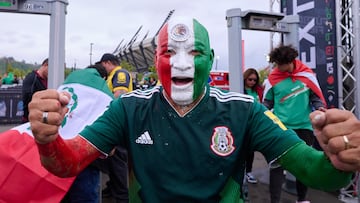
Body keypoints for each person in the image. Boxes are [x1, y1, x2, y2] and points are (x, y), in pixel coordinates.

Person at [28, 17, 354, 202]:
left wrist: (340, 160)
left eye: (195, 52)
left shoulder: (245, 111)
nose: (182, 62)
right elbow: (68, 162)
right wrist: (47, 139)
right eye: (169, 51)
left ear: (210, 59)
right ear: (156, 60)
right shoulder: (128, 108)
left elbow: (317, 173)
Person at [263, 44, 327, 203]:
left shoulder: (307, 75)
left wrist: (319, 107)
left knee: (302, 165)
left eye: (280, 64)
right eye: (276, 64)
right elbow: (266, 103)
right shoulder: (273, 78)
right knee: (276, 166)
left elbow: (315, 97)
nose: (278, 68)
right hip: (281, 128)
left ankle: (302, 199)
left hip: (304, 127)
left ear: (291, 61)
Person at [60, 63, 110, 203]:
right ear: (103, 77)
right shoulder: (102, 89)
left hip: (57, 152)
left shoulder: (70, 80)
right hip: (85, 158)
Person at [96, 53, 133, 202]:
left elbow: (120, 95)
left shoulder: (120, 74)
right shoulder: (112, 75)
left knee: (118, 162)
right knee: (111, 161)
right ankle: (112, 189)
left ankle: (121, 196)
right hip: (115, 123)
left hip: (119, 124)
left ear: (108, 62)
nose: (102, 68)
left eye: (103, 65)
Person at [243, 68, 263, 184]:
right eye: (250, 79)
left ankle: (248, 172)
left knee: (251, 150)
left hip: (254, 124)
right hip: (243, 124)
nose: (252, 82)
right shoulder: (239, 89)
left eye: (255, 80)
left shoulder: (257, 91)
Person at [21, 58, 48, 123]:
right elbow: (28, 99)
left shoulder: (49, 80)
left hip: (43, 119)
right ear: (45, 65)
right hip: (30, 120)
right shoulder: (31, 78)